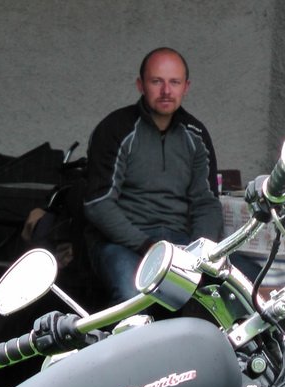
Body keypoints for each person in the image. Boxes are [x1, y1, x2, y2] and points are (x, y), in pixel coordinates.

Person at [83, 47, 222, 305]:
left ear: (186, 87)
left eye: (174, 82)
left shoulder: (196, 134)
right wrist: (148, 246)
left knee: (239, 288)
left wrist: (200, 253)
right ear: (141, 85)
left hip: (182, 244)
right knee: (133, 296)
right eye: (157, 81)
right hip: (125, 243)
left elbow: (207, 203)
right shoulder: (115, 128)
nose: (166, 91)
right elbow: (98, 204)